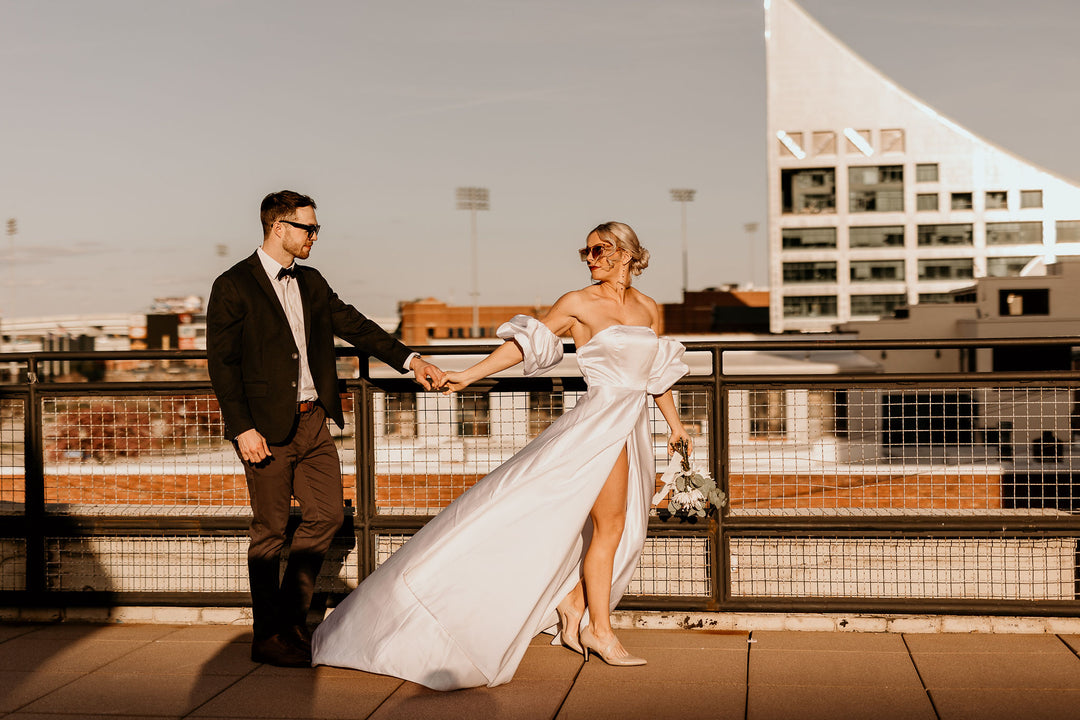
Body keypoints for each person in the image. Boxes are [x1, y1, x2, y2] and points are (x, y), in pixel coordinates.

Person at [312, 221, 691, 689]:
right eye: (586, 251)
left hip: (634, 423)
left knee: (619, 526)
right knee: (609, 524)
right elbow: (522, 347)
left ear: (627, 252)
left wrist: (675, 427)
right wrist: (470, 376)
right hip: (599, 421)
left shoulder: (649, 307)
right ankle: (599, 629)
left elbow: (657, 374)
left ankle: (575, 608)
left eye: (599, 249)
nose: (590, 257)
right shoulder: (577, 302)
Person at [206, 190, 445, 668]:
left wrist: (410, 359)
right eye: (308, 228)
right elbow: (222, 364)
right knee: (270, 532)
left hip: (313, 421)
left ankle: (291, 621)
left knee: (327, 515)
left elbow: (356, 325)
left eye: (315, 229)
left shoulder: (311, 281)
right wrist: (242, 428)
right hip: (265, 429)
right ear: (279, 228)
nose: (315, 236)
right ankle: (266, 635)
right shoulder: (233, 285)